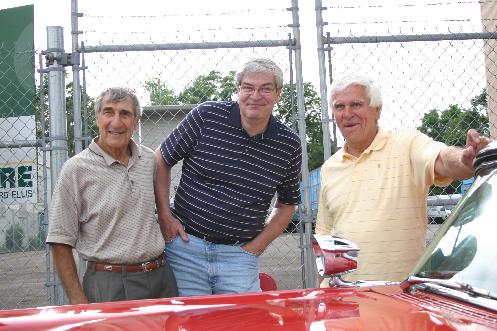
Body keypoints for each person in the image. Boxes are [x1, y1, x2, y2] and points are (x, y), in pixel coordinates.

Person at [315, 75, 490, 282]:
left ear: (377, 110)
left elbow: (443, 159)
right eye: (339, 106)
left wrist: (464, 159)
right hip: (344, 301)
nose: (347, 114)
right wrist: (324, 291)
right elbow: (324, 238)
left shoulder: (407, 145)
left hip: (398, 299)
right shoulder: (330, 168)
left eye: (356, 104)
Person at [155, 58, 302, 296]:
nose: (255, 95)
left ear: (278, 94)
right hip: (185, 248)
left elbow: (287, 205)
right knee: (189, 322)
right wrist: (164, 215)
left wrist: (256, 247)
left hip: (239, 256)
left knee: (240, 321)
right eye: (248, 87)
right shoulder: (206, 116)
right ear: (238, 90)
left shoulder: (288, 144)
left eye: (266, 88)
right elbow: (161, 159)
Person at [46, 87, 178, 304]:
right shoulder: (76, 169)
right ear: (98, 117)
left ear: (136, 121)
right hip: (110, 284)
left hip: (161, 278)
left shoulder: (148, 160)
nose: (116, 122)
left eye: (125, 113)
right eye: (109, 112)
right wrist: (78, 299)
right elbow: (60, 239)